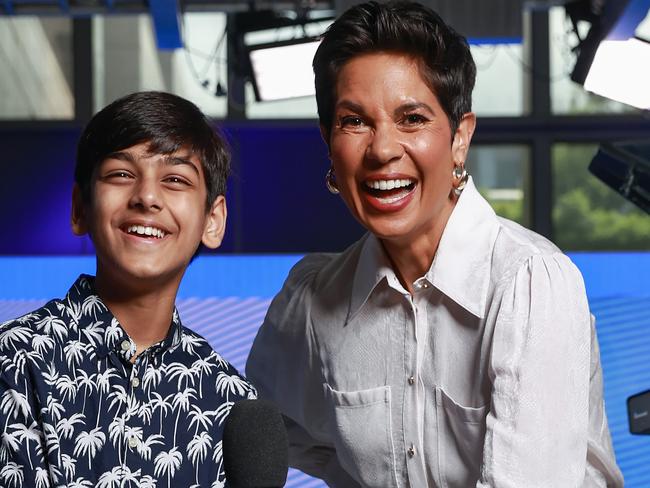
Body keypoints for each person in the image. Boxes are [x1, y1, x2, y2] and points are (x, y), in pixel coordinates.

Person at [246, 2, 623, 486]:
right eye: (354, 121)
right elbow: (260, 434)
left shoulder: (528, 285)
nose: (382, 149)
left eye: (412, 119)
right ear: (328, 141)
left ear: (460, 137)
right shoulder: (315, 296)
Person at [0, 91, 256, 487]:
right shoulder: (15, 361)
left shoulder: (231, 400)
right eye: (121, 174)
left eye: (175, 179)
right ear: (79, 208)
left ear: (213, 220)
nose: (147, 197)